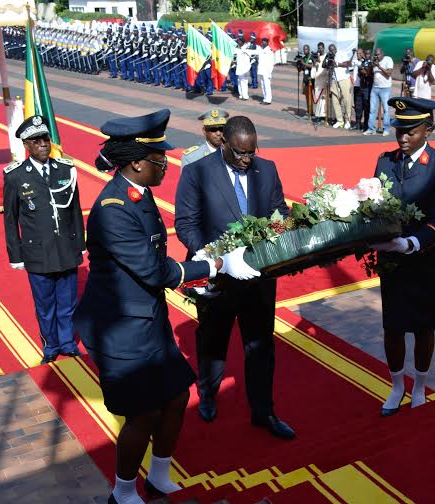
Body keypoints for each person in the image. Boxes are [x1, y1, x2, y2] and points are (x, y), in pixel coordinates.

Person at [73, 110, 258, 504]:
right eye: (161, 160)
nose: (166, 166)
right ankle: (122, 493)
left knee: (175, 398)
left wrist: (198, 278)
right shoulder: (113, 209)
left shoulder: (139, 194)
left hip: (148, 320)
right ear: (137, 163)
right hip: (120, 329)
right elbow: (152, 270)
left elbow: (157, 262)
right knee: (142, 414)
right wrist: (217, 264)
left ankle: (158, 477)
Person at [175, 116, 295, 440]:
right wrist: (214, 258)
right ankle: (209, 395)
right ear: (224, 143)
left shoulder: (265, 169)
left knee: (260, 346)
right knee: (213, 341)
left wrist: (281, 230)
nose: (246, 159)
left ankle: (263, 411)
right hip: (218, 280)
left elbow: (279, 212)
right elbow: (186, 224)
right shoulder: (197, 172)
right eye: (240, 153)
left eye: (251, 152)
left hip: (259, 279)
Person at [371, 97, 435, 417]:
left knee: (424, 327)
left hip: (427, 261)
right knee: (392, 327)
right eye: (399, 130)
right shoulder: (385, 162)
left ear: (428, 130)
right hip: (393, 262)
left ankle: (420, 386)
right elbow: (375, 207)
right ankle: (397, 386)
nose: (403, 137)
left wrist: (410, 243)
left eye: (411, 131)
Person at [3, 115, 85, 364]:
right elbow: (10, 219)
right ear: (26, 145)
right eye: (36, 140)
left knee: (68, 302)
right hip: (37, 253)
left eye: (45, 138)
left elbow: (75, 211)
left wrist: (80, 245)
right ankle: (50, 346)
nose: (42, 143)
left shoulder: (65, 169)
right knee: (45, 306)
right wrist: (15, 256)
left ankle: (68, 343)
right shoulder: (16, 175)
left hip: (66, 250)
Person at [364, 47, 394, 136]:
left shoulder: (388, 60)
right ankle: (371, 129)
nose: (377, 56)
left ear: (382, 53)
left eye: (378, 54)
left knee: (386, 110)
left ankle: (386, 129)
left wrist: (379, 66)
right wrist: (371, 65)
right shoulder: (374, 62)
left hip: (385, 88)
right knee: (372, 110)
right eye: (375, 55)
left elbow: (389, 73)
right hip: (375, 88)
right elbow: (368, 73)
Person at [325, 43, 353, 129]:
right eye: (330, 50)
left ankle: (348, 120)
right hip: (334, 79)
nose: (332, 51)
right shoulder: (329, 57)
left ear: (336, 49)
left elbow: (348, 64)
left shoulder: (341, 53)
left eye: (333, 50)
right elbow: (325, 66)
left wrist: (337, 64)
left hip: (344, 78)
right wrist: (328, 60)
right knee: (335, 99)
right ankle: (340, 120)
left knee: (347, 99)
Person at [352, 48, 373, 131]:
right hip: (360, 86)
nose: (367, 55)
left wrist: (365, 71)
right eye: (366, 54)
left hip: (367, 87)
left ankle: (366, 125)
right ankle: (357, 124)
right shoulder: (363, 62)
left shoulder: (372, 63)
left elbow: (369, 74)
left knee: (367, 106)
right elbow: (360, 72)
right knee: (358, 106)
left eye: (369, 54)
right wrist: (364, 71)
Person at [296, 44, 315, 118]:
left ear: (309, 50)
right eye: (304, 49)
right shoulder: (303, 58)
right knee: (307, 97)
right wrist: (298, 65)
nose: (305, 50)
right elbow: (300, 70)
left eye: (306, 49)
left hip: (311, 79)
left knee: (311, 96)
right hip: (305, 79)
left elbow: (312, 66)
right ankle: (309, 111)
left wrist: (303, 63)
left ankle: (312, 112)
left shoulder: (312, 57)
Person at [311, 42, 328, 122]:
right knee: (317, 98)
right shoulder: (316, 57)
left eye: (321, 48)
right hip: (317, 82)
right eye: (318, 48)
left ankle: (323, 116)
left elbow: (325, 69)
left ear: (323, 48)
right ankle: (318, 115)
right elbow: (313, 72)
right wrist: (314, 61)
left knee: (323, 99)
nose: (320, 49)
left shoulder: (326, 56)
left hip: (324, 80)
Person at [257, 37, 274, 105]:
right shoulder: (261, 49)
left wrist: (269, 72)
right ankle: (265, 98)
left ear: (267, 42)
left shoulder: (269, 51)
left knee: (267, 86)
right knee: (263, 85)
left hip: (267, 71)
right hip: (261, 70)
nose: (263, 43)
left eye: (264, 42)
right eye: (262, 41)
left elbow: (271, 62)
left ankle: (268, 100)